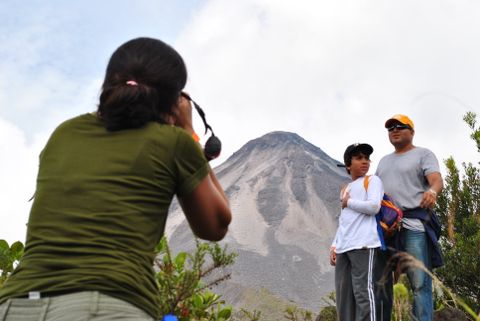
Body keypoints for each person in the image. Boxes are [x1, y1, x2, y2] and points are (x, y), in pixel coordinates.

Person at [0, 37, 232, 321]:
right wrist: (187, 131)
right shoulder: (173, 143)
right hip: (107, 306)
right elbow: (216, 225)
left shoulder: (64, 133)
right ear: (174, 100)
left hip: (16, 305)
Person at [376, 114, 443, 321]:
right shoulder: (383, 162)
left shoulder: (423, 154)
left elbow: (436, 180)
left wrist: (432, 192)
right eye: (390, 128)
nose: (394, 130)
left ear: (411, 132)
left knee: (420, 281)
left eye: (400, 126)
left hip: (414, 225)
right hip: (387, 229)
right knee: (383, 282)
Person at [330, 143, 389, 321]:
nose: (364, 162)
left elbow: (374, 206)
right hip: (344, 247)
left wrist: (349, 203)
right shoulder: (347, 188)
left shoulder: (372, 181)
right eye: (359, 158)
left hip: (365, 244)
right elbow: (345, 221)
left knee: (364, 293)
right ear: (348, 164)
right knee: (344, 297)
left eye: (367, 158)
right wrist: (334, 244)